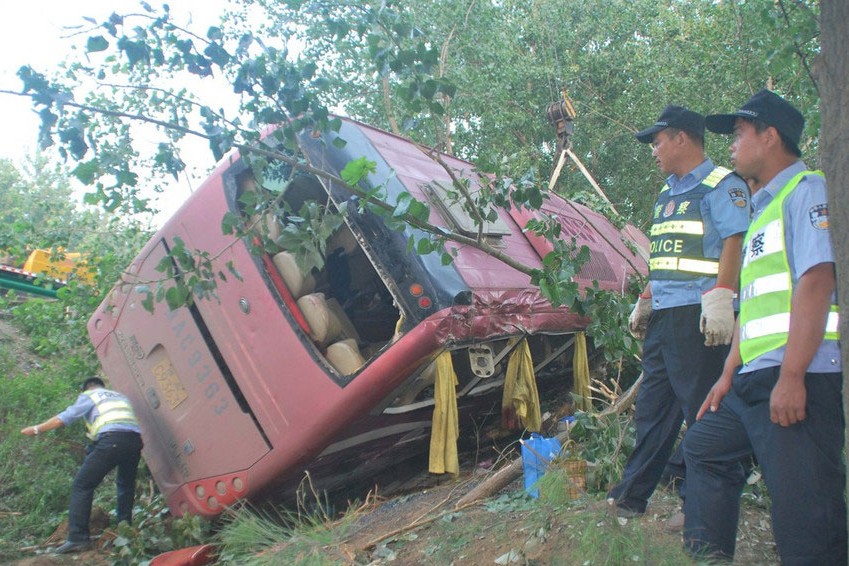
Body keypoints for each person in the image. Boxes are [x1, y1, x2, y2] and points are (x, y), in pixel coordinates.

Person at [683, 89, 846, 564]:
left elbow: (817, 282)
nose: (731, 146)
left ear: (770, 137)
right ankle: (710, 559)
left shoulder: (808, 191)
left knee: (805, 519)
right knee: (703, 447)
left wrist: (794, 376)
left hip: (798, 376)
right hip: (753, 379)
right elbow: (752, 308)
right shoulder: (760, 211)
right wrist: (728, 373)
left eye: (738, 134)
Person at [607, 105, 750, 530]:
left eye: (658, 141)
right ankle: (630, 497)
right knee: (653, 409)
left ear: (682, 138)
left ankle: (700, 506)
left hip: (700, 315)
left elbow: (735, 240)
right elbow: (667, 258)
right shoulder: (667, 195)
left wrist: (722, 296)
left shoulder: (721, 186)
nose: (654, 150)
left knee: (701, 410)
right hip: (666, 316)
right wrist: (647, 297)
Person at [21, 377, 143, 555]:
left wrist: (37, 429)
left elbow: (64, 418)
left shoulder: (89, 395)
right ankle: (125, 529)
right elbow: (113, 425)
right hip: (134, 442)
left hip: (112, 441)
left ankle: (78, 539)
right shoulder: (119, 397)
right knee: (125, 485)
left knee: (81, 485)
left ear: (86, 388)